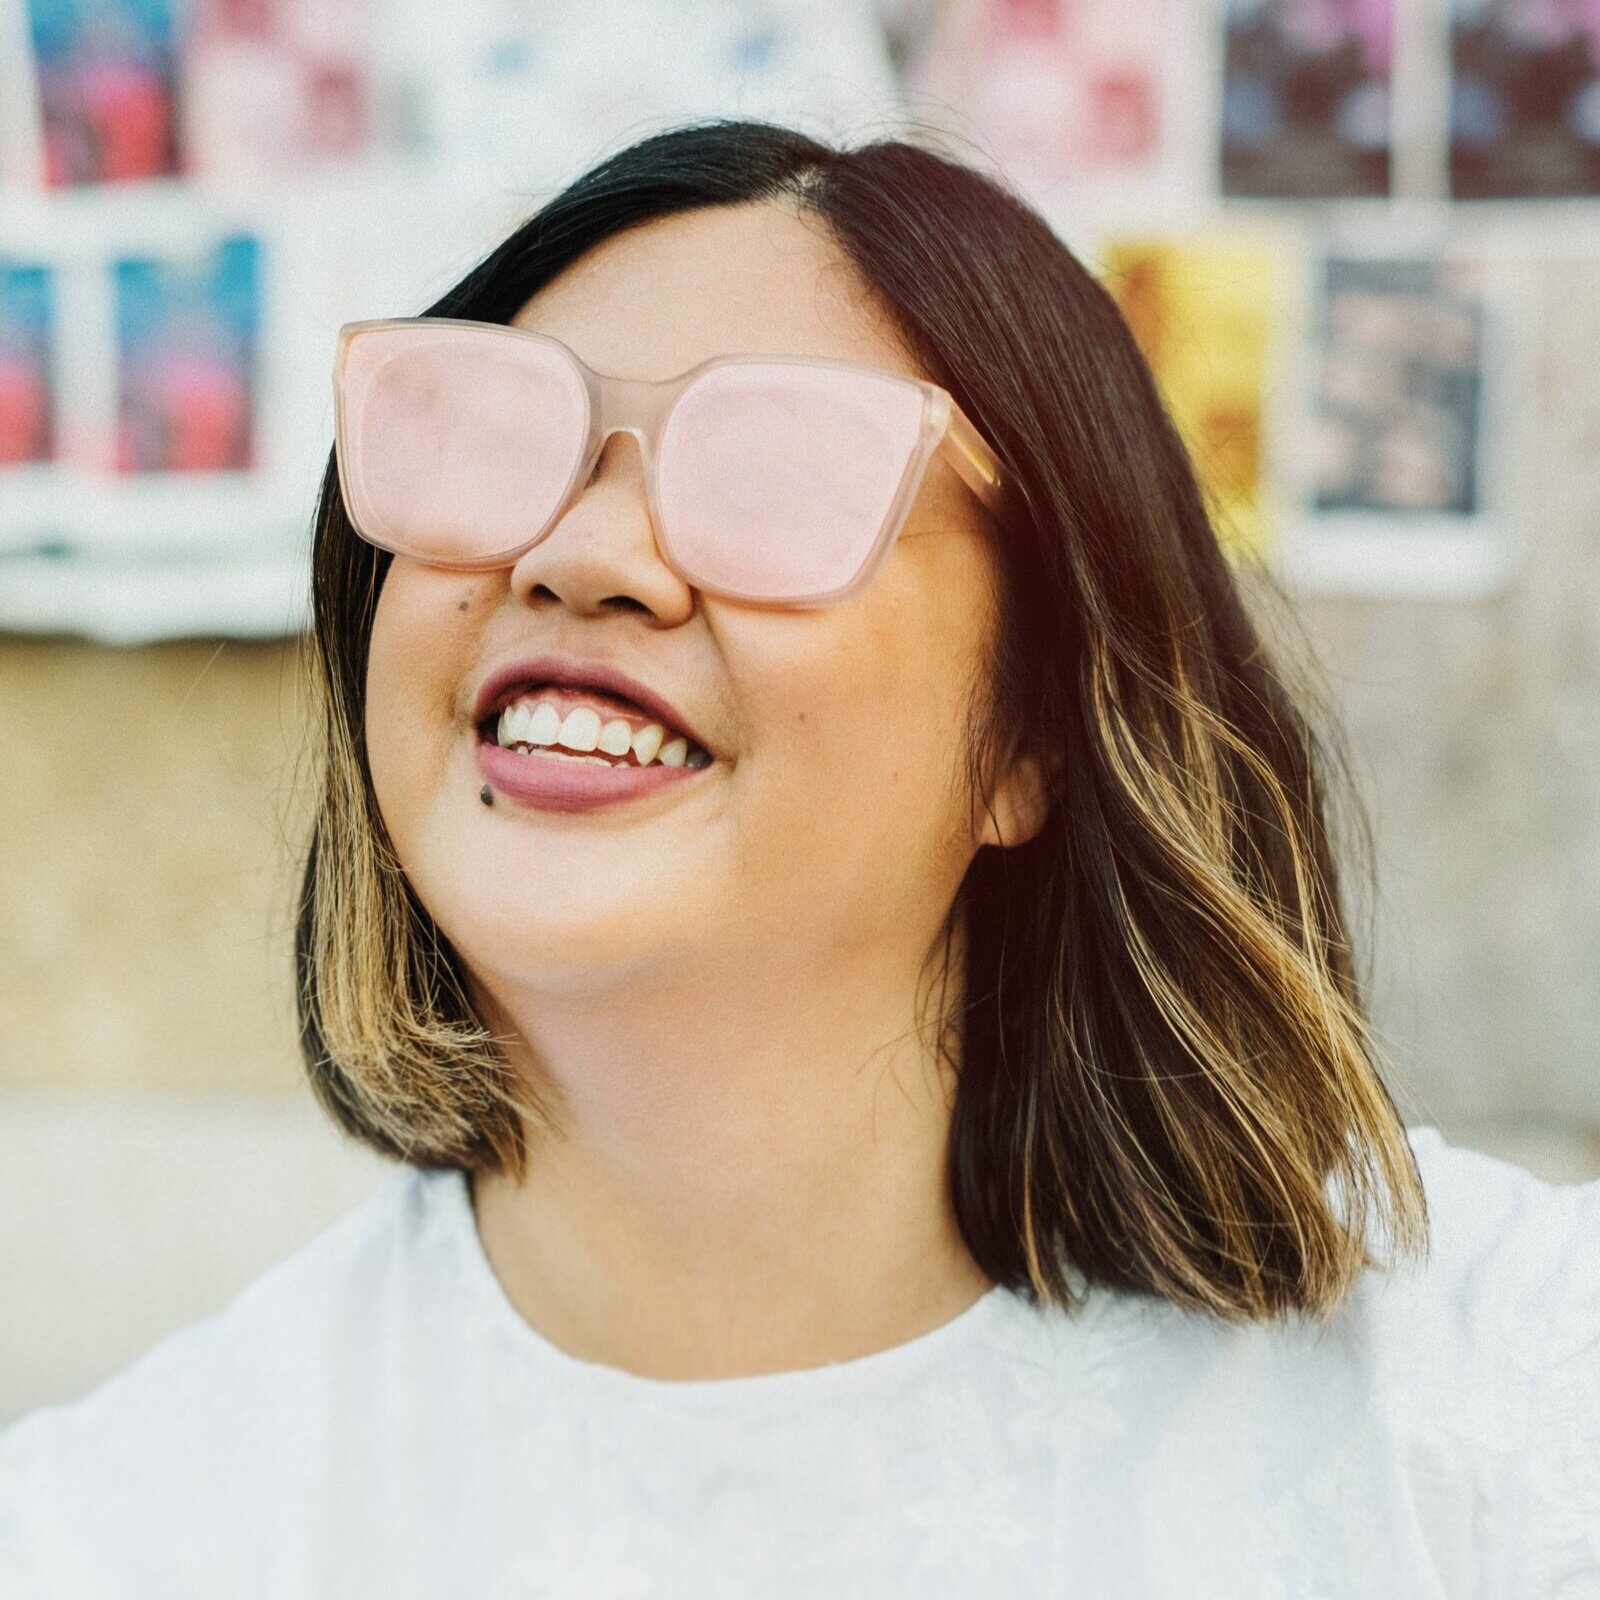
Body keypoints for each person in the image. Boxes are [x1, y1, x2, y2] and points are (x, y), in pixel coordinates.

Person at [2, 117, 1595, 1599]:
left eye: (773, 470)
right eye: (489, 436)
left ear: (1038, 727)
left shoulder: (1505, 1415)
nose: (580, 554)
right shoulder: (127, 1531)